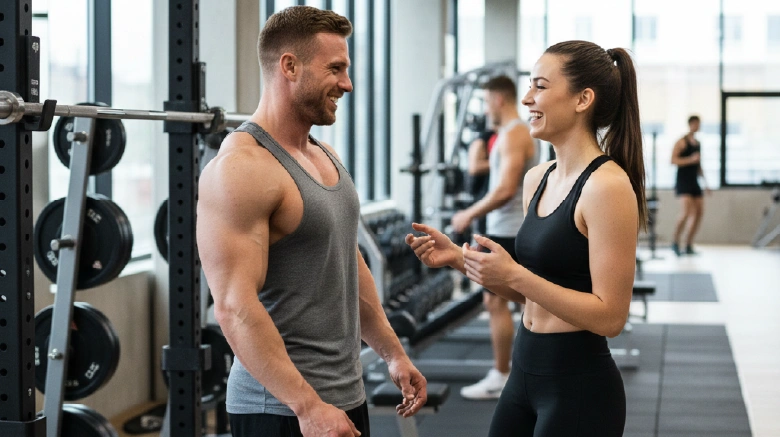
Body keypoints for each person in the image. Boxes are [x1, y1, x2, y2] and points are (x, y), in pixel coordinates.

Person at [197, 7, 427, 437]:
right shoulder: (241, 168)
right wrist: (307, 406)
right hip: (281, 408)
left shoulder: (325, 155)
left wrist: (393, 353)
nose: (347, 83)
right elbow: (233, 306)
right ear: (290, 66)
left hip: (343, 395)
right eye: (335, 69)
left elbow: (346, 262)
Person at [406, 40, 646, 436]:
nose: (527, 98)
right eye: (529, 85)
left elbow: (611, 316)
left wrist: (515, 274)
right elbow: (535, 296)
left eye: (540, 86)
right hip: (524, 372)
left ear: (583, 99)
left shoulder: (607, 186)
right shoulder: (538, 179)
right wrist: (457, 259)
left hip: (579, 387)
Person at [450, 76, 539, 400]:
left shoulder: (515, 133)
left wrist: (469, 213)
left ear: (499, 99)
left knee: (499, 301)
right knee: (507, 301)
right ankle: (515, 373)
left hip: (508, 230)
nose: (486, 110)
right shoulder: (510, 133)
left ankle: (502, 375)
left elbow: (505, 189)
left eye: (487, 102)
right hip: (507, 228)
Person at [671, 115, 708, 256]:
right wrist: (690, 159)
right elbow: (673, 160)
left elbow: (699, 165)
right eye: (696, 123)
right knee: (686, 213)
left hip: (694, 181)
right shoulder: (681, 142)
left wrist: (706, 183)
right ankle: (675, 242)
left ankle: (688, 244)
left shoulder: (698, 143)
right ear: (691, 124)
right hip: (683, 181)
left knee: (699, 213)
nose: (698, 126)